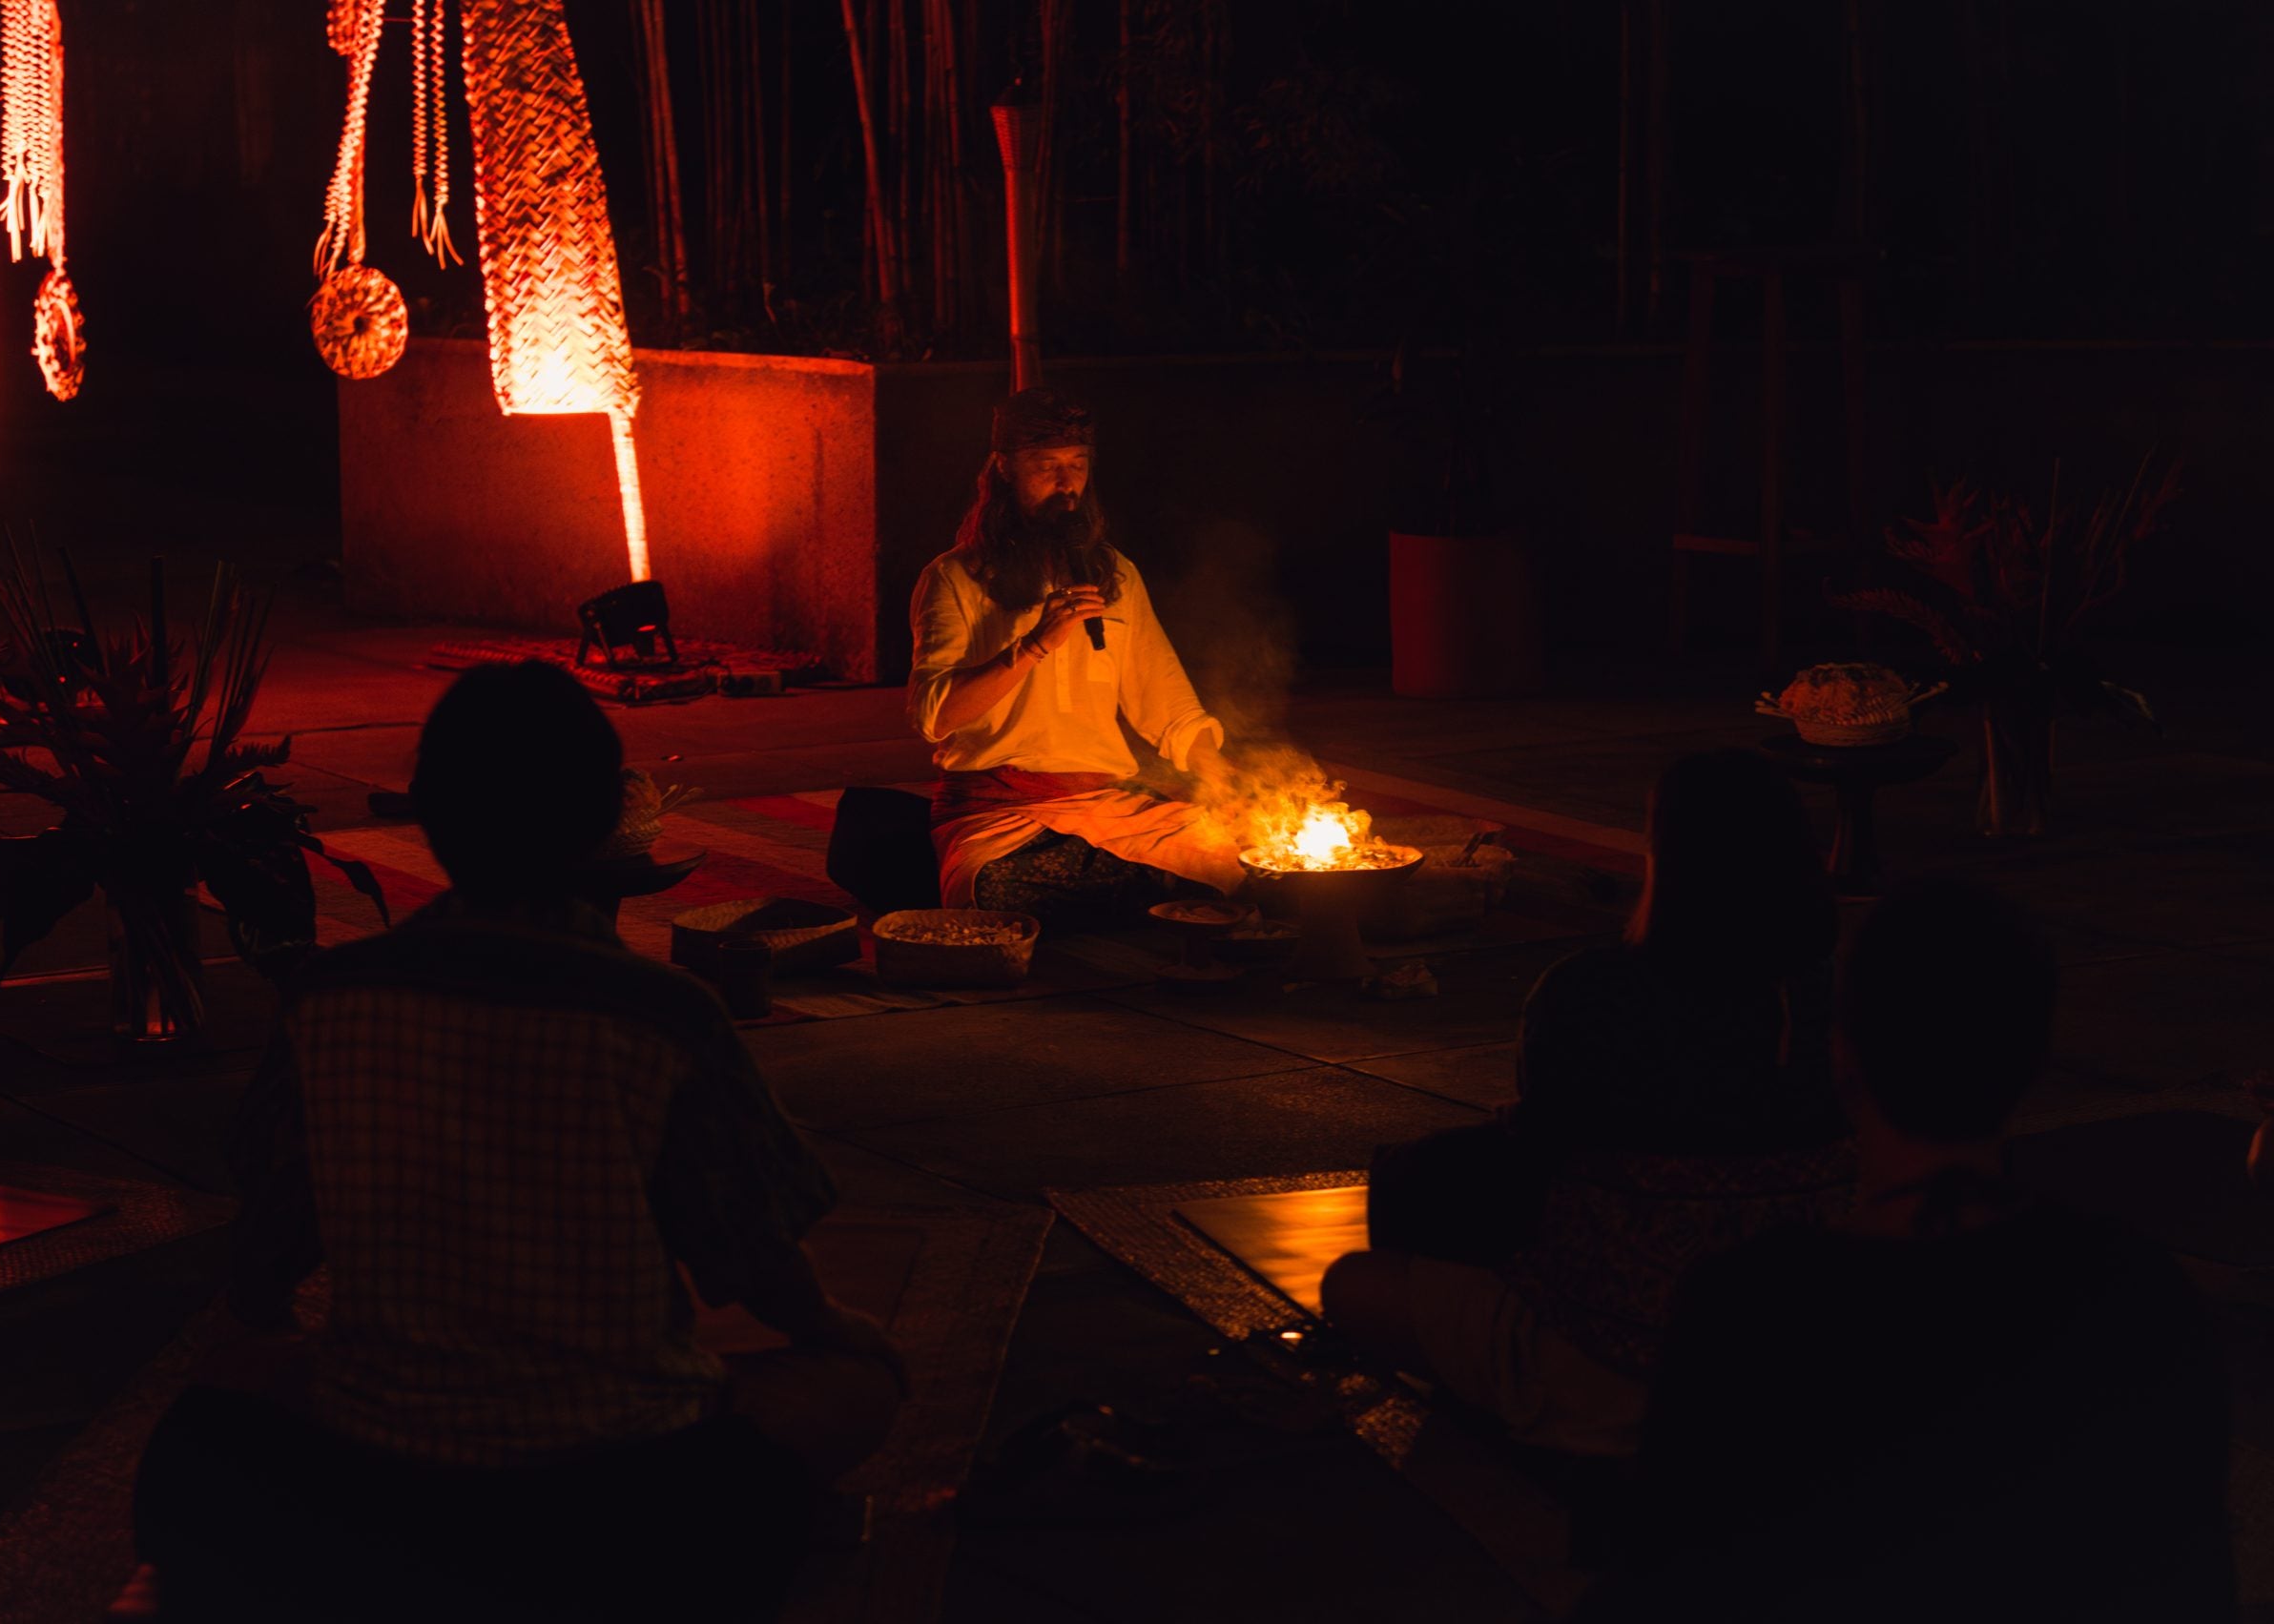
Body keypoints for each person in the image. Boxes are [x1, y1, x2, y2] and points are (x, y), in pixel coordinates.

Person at [142, 662, 902, 1622]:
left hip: (384, 1475)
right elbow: (754, 1263)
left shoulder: (329, 998)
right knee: (853, 1381)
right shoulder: (663, 1011)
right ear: (598, 823)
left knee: (215, 1418)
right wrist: (839, 1330)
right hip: (618, 1486)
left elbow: (265, 1262)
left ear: (428, 816)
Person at [1583, 879, 2232, 1621]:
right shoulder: (2141, 1302)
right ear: (2034, 1058)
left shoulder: (1749, 1310)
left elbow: (1668, 1579)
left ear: (1842, 1055)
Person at [1323, 750, 1850, 1456]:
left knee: (1358, 1280)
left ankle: (1528, 1412)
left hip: (1620, 1354)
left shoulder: (1596, 991)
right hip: (1798, 1340)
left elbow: (1537, 1156)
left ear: (1667, 858)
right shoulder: (1839, 995)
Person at [906, 387, 1241, 924]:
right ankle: (1171, 897)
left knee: (1248, 848)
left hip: (1108, 810)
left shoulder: (1116, 574)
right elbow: (936, 716)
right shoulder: (953, 578)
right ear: (1004, 470)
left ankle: (1157, 890)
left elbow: (1170, 708)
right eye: (1046, 467)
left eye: (1077, 466)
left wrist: (1230, 787)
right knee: (999, 887)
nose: (1066, 486)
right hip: (1002, 819)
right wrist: (1037, 642)